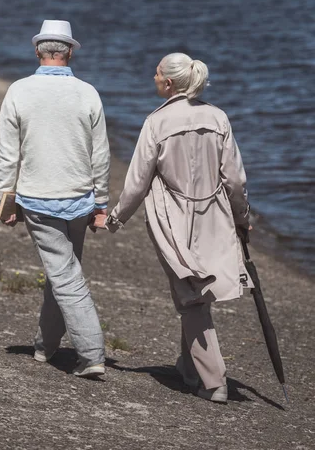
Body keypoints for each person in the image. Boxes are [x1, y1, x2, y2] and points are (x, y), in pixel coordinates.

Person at [98, 52, 252, 403]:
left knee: (190, 298)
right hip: (215, 216)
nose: (152, 77)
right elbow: (235, 180)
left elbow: (138, 182)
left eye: (156, 73)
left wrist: (116, 218)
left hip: (173, 219)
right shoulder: (218, 117)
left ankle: (214, 381)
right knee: (197, 293)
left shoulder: (157, 122)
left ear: (168, 83)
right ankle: (188, 367)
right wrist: (243, 219)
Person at [0, 20, 110, 378]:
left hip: (38, 198)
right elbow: (101, 154)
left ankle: (92, 354)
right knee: (64, 271)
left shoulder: (18, 90)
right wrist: (101, 202)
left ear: (37, 52)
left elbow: (8, 153)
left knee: (64, 275)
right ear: (70, 52)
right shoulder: (87, 92)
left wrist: (5, 198)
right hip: (79, 198)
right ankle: (46, 347)